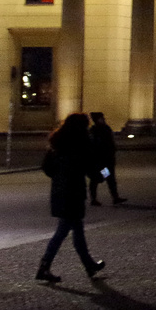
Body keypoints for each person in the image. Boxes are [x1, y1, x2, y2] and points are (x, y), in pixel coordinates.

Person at [35, 113, 106, 283]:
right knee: (62, 231)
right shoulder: (81, 145)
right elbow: (95, 172)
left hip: (59, 192)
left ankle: (89, 264)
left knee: (77, 230)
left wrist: (60, 177)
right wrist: (107, 172)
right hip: (74, 193)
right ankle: (44, 267)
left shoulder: (57, 143)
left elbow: (46, 168)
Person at [87, 112, 128, 206]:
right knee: (98, 179)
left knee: (107, 178)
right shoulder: (97, 130)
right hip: (101, 160)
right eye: (101, 118)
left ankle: (114, 197)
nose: (103, 119)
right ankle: (96, 198)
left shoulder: (102, 129)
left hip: (105, 159)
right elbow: (97, 145)